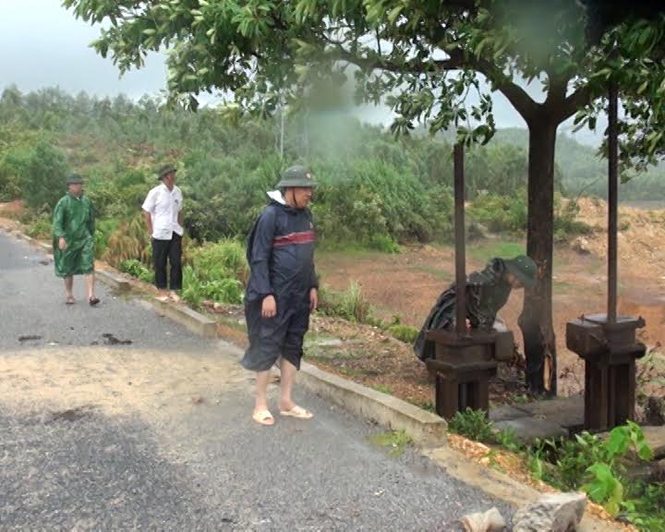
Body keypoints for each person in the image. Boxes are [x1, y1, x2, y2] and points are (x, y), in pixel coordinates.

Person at [242, 165, 319, 426]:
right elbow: (258, 256)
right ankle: (260, 405)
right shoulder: (270, 216)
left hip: (299, 296)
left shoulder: (306, 215)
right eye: (305, 188)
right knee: (267, 344)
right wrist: (266, 293)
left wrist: (312, 285)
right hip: (275, 295)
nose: (309, 193)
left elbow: (308, 256)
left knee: (293, 345)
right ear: (290, 189)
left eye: (310, 188)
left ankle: (286, 401)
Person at [414, 255, 537, 361]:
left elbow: (488, 306)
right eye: (521, 282)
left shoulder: (505, 284)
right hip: (455, 309)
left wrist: (494, 319)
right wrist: (458, 317)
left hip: (477, 315)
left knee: (500, 332)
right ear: (513, 273)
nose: (521, 286)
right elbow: (462, 292)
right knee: (454, 337)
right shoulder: (486, 279)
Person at [53, 173, 99, 306]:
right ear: (69, 186)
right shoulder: (63, 202)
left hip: (85, 238)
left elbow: (91, 220)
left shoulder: (87, 201)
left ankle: (91, 295)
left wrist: (91, 235)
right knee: (68, 267)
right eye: (74, 184)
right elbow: (57, 222)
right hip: (69, 239)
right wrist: (61, 237)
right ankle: (69, 294)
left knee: (88, 264)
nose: (77, 186)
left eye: (79, 184)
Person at [142, 164, 184, 302]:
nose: (174, 176)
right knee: (160, 262)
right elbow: (146, 211)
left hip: (175, 231)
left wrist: (179, 226)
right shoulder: (155, 192)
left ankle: (174, 290)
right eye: (172, 173)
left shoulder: (178, 191)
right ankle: (161, 290)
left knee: (176, 262)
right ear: (166, 177)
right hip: (160, 233)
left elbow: (179, 211)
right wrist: (151, 231)